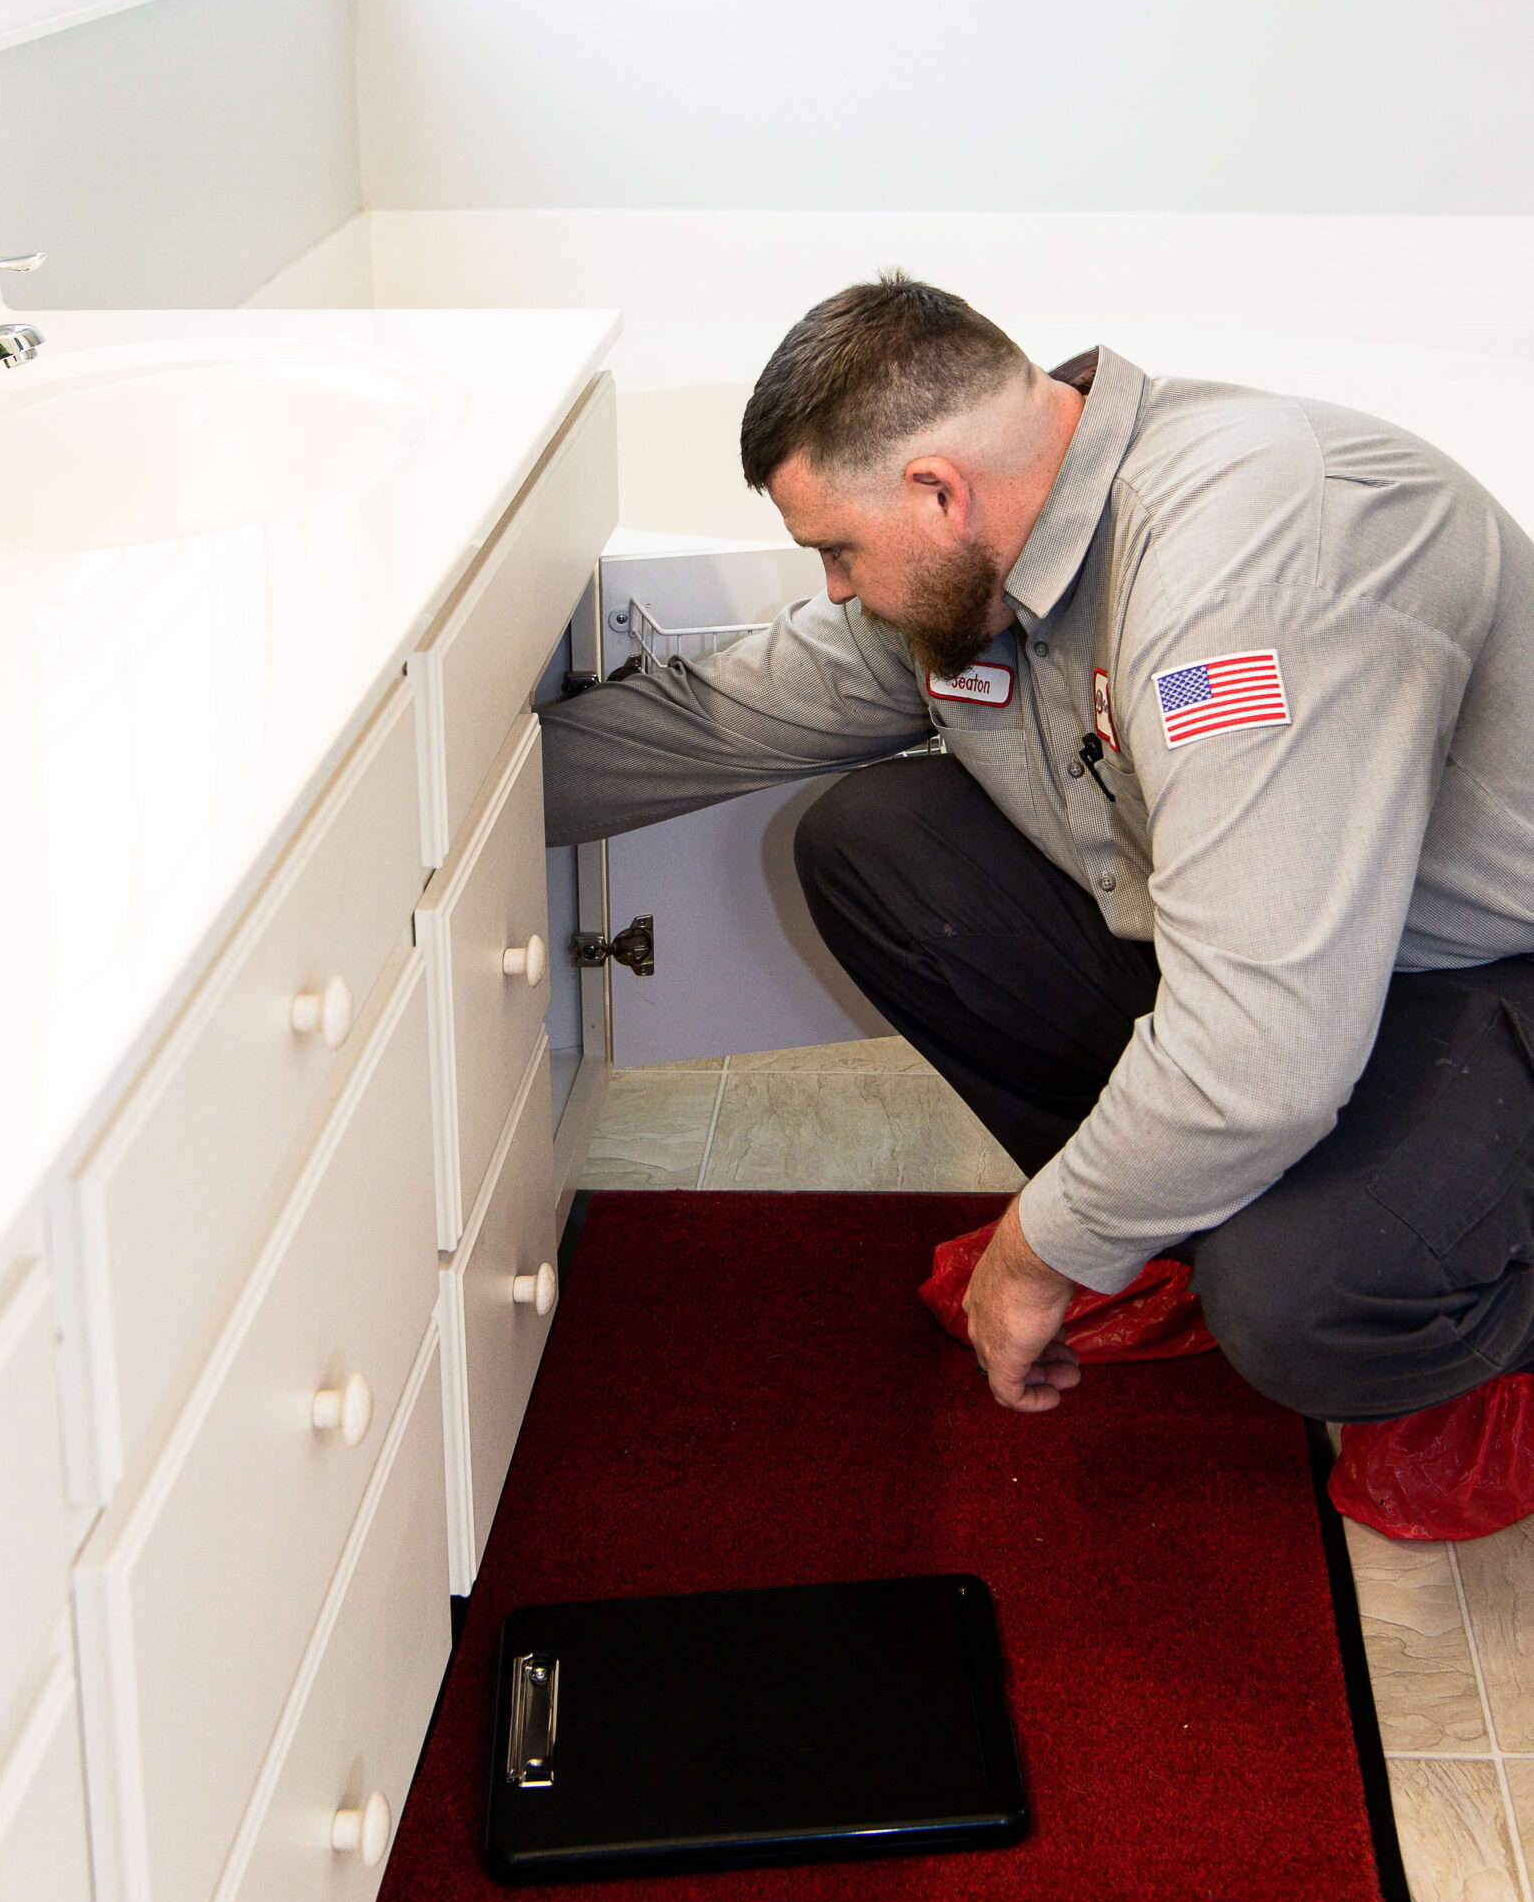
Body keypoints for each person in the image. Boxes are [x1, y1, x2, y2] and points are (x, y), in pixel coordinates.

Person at [541, 276, 1534, 1428]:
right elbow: (720, 719)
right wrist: (423, 809)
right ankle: (1182, 1205)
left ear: (936, 491)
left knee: (1299, 1300)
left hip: (1483, 971)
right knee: (876, 844)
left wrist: (1036, 1248)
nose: (834, 586)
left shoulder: (1238, 580)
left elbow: (1264, 1051)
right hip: (1299, 966)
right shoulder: (990, 560)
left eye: (838, 548)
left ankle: (1463, 1320)